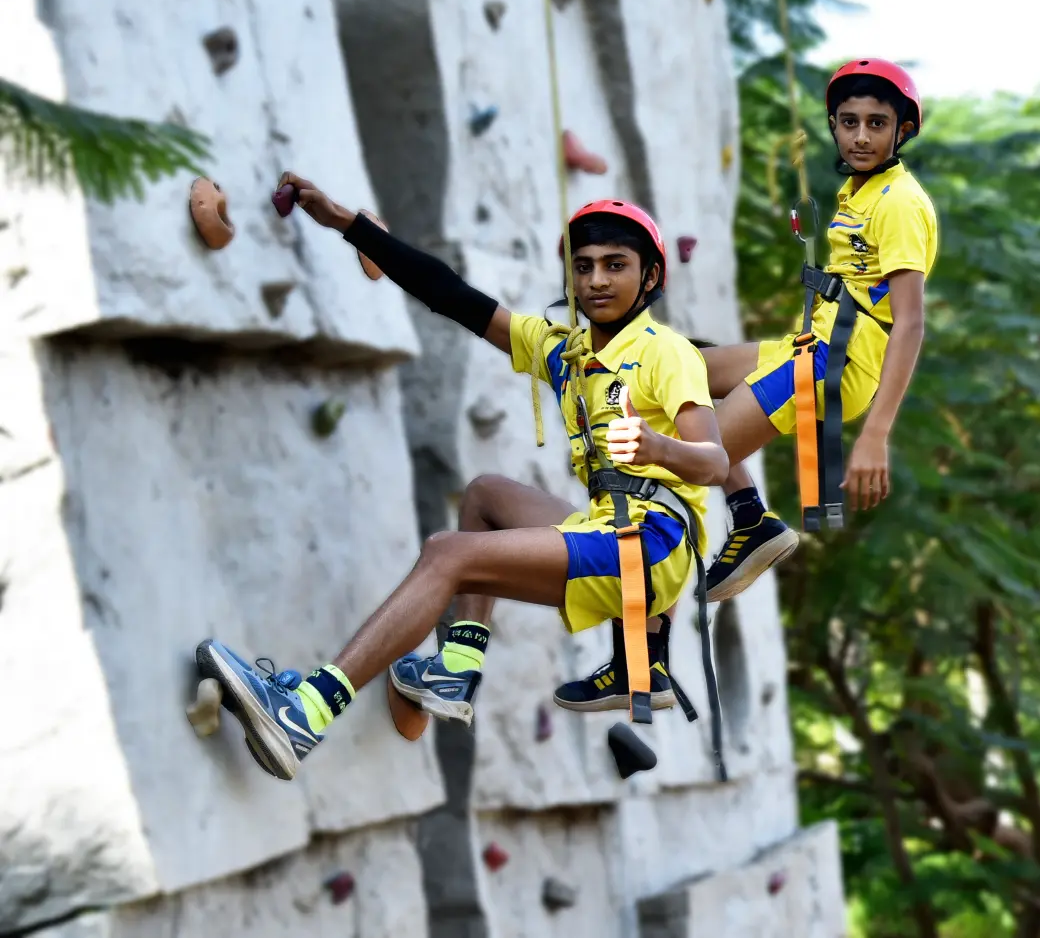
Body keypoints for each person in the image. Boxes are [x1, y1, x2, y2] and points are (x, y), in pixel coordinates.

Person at [195, 174, 728, 780]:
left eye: (616, 265)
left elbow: (712, 462)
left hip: (652, 542)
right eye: (583, 267)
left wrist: (656, 444)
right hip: (615, 527)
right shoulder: (563, 350)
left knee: (447, 555)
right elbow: (449, 295)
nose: (597, 280)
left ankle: (304, 714)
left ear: (650, 277)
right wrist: (349, 225)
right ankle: (456, 668)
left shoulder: (666, 352)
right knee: (486, 497)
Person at [689, 58, 938, 605]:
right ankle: (750, 519)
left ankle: (641, 643)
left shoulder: (898, 204)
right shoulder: (862, 192)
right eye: (849, 121)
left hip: (833, 365)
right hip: (814, 345)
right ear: (832, 125)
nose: (861, 135)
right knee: (680, 371)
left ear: (904, 130)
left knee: (689, 455)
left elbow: (911, 322)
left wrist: (875, 434)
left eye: (877, 123)